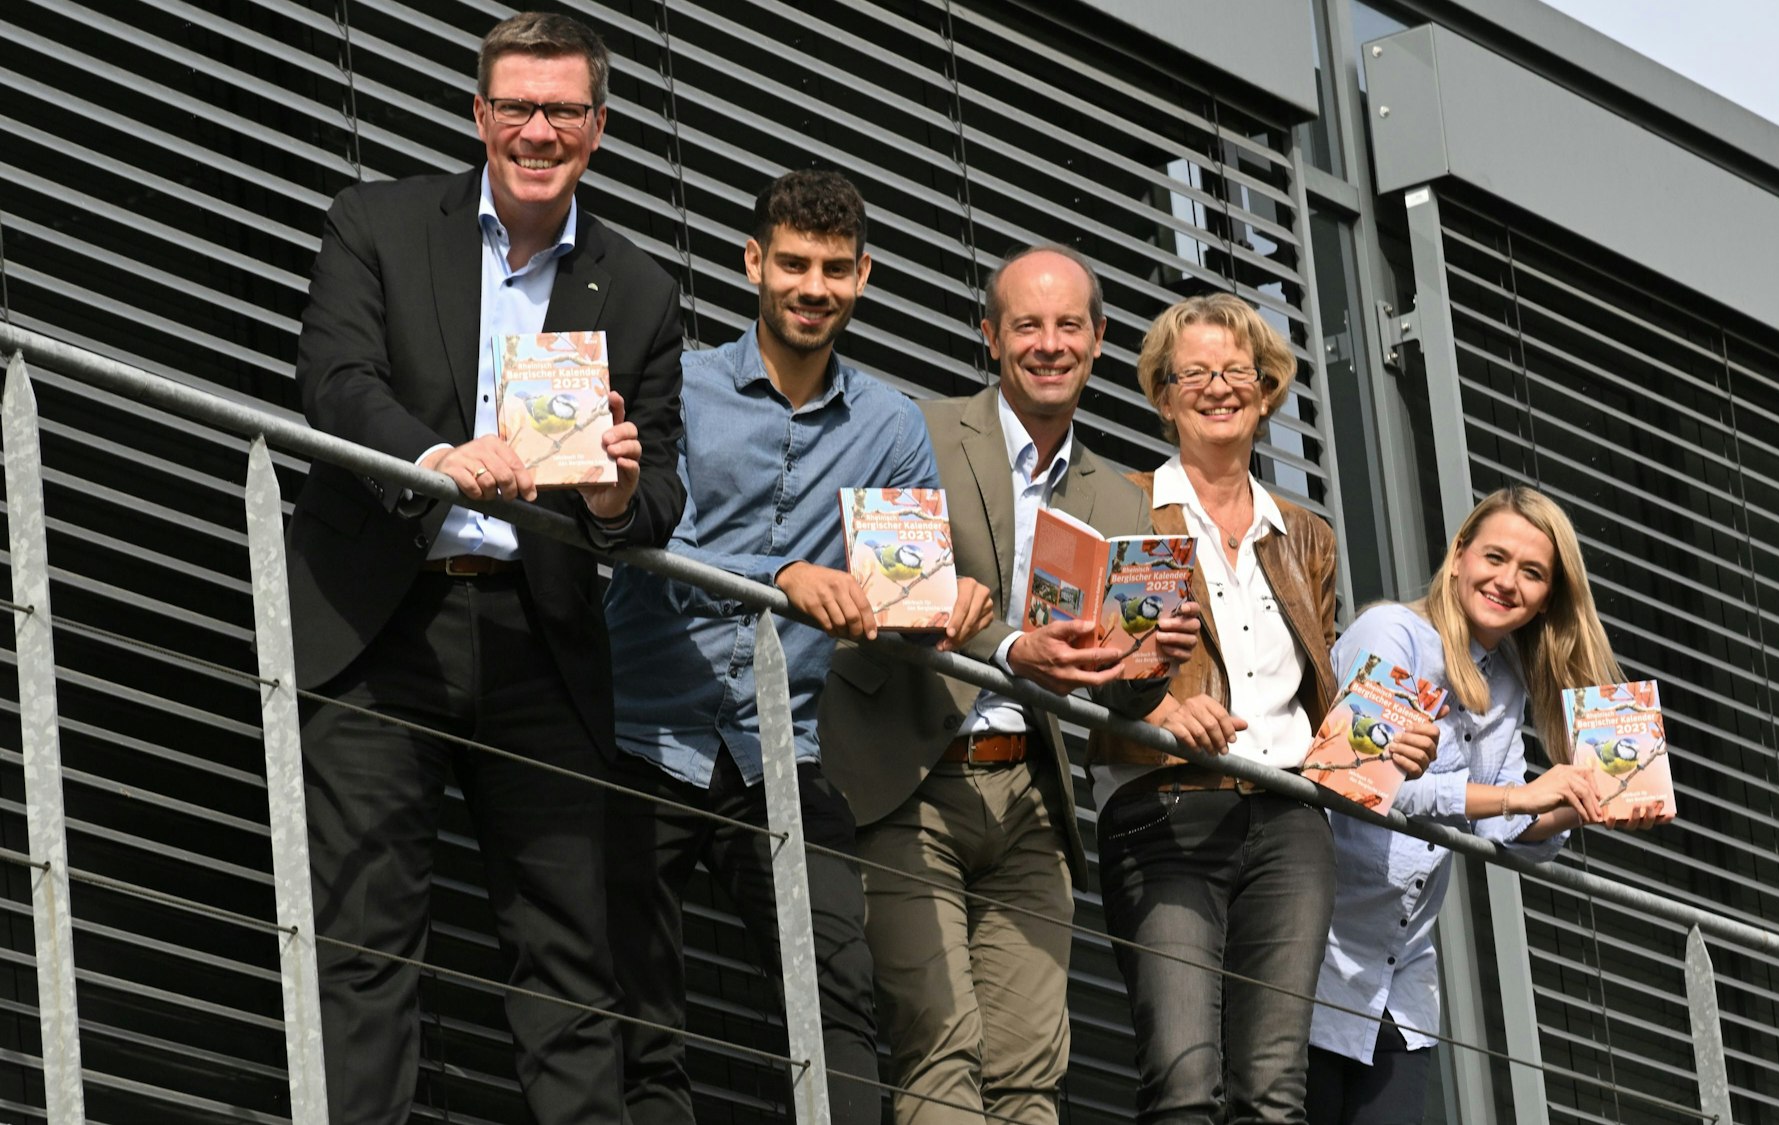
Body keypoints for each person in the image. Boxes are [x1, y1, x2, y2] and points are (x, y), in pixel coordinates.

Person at [285, 12, 685, 1124]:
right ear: (478, 113)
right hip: (381, 627)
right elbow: (337, 378)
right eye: (516, 104)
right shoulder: (376, 220)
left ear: (598, 128)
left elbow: (660, 489)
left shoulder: (642, 290)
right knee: (364, 948)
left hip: (537, 643)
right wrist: (434, 459)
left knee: (568, 969)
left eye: (562, 108)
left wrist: (613, 492)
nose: (537, 129)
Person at [602, 169, 992, 1125]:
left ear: (864, 276)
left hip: (789, 747)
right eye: (793, 264)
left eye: (833, 268)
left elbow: (897, 598)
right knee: (631, 1003)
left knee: (836, 982)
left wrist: (940, 609)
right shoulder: (683, 386)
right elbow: (643, 534)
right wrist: (779, 576)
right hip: (642, 730)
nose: (812, 286)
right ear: (753, 264)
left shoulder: (894, 427)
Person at [817, 245, 1197, 1125]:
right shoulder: (917, 428)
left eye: (1070, 325)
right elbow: (889, 586)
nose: (1050, 344)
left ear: (1099, 341)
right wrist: (1007, 645)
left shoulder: (1122, 499)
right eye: (1028, 324)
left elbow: (1121, 700)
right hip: (911, 778)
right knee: (938, 1044)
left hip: (1031, 793)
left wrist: (1153, 661)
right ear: (991, 336)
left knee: (1030, 1072)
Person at [1088, 292, 1437, 1125]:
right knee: (1181, 1080)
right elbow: (1093, 659)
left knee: (1275, 1091)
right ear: (1164, 394)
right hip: (1163, 807)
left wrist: (1391, 740)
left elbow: (1321, 690)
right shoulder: (1123, 503)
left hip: (1289, 820)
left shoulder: (1306, 533)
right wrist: (1169, 705)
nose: (1218, 387)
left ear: (1269, 388)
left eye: (1237, 371)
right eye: (1195, 372)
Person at [1305, 485, 1670, 1125]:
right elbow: (1361, 782)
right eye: (1495, 558)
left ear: (1547, 600)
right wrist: (1521, 794)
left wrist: (1585, 801)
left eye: (1532, 573)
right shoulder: (1392, 633)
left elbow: (1505, 827)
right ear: (1458, 555)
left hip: (1400, 985)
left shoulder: (1504, 681)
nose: (1508, 582)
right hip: (1313, 960)